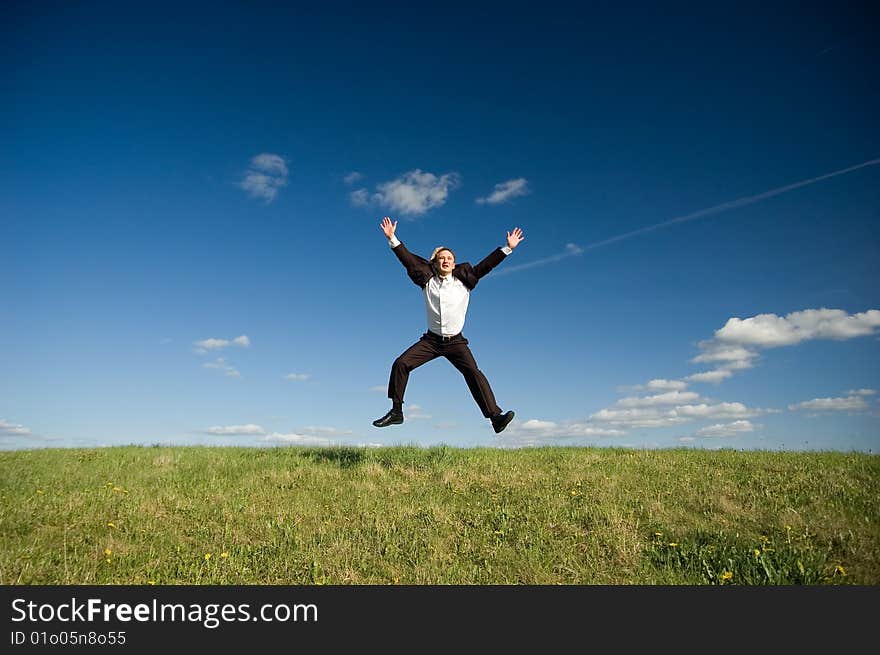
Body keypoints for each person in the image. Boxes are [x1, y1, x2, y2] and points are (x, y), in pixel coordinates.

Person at [373, 216, 524, 434]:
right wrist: (392, 238)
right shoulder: (427, 281)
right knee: (401, 364)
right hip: (431, 341)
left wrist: (507, 248)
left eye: (450, 258)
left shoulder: (465, 280)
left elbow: (486, 266)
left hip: (456, 342)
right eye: (442, 258)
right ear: (435, 263)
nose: (446, 261)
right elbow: (408, 260)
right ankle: (396, 411)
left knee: (473, 373)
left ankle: (495, 418)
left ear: (454, 263)